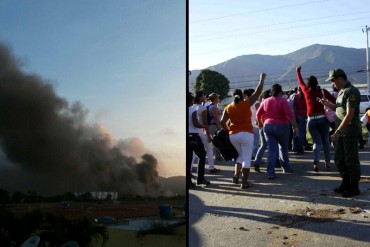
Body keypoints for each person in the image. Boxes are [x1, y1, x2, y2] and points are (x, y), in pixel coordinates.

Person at [319, 68, 361, 197]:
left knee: (351, 159)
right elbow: (339, 109)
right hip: (342, 132)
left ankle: (354, 186)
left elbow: (349, 114)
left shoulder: (351, 91)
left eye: (333, 80)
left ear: (340, 78)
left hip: (349, 132)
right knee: (339, 159)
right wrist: (326, 104)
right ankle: (345, 182)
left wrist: (337, 132)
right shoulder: (342, 91)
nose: (332, 83)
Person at [220, 72, 266, 189]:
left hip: (233, 135)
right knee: (246, 158)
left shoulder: (228, 107)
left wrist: (229, 130)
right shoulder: (246, 103)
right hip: (246, 134)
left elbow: (222, 122)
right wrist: (261, 79)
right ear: (241, 96)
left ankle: (236, 175)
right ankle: (244, 182)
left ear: (232, 96)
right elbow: (258, 92)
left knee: (240, 155)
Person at [296, 66, 336, 172]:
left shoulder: (306, 92)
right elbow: (334, 100)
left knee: (317, 143)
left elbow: (300, 82)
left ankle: (316, 163)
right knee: (326, 142)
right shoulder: (323, 92)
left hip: (311, 120)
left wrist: (298, 71)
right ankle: (327, 163)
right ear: (317, 82)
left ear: (308, 84)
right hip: (323, 119)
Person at [256, 84, 298, 179]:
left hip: (267, 126)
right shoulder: (283, 100)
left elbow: (258, 113)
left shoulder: (266, 101)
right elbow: (290, 114)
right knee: (283, 147)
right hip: (282, 126)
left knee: (271, 150)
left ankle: (270, 172)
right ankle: (286, 168)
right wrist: (295, 126)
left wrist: (260, 123)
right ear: (280, 91)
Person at [193, 91, 220, 173]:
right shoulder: (203, 108)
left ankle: (190, 168)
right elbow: (205, 123)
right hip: (202, 131)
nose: (205, 97)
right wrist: (208, 135)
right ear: (200, 98)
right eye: (204, 96)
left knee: (194, 151)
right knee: (209, 149)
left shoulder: (193, 107)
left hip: (195, 131)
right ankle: (211, 167)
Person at [187, 92, 210, 188]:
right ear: (190, 100)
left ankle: (188, 182)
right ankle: (200, 179)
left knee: (188, 159)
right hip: (194, 135)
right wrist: (204, 126)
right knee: (202, 155)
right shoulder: (192, 109)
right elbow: (196, 124)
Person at [243, 88, 261, 159]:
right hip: (255, 124)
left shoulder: (245, 102)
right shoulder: (256, 103)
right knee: (255, 142)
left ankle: (249, 155)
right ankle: (254, 156)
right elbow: (260, 113)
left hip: (247, 124)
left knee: (249, 142)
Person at [292, 86, 307, 155]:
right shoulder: (305, 97)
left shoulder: (295, 97)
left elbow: (293, 106)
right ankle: (301, 149)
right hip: (302, 116)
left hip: (295, 116)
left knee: (295, 133)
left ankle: (295, 149)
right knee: (301, 134)